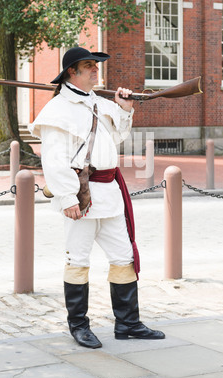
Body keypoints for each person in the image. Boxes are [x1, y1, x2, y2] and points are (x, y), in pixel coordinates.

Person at [29, 47, 165, 348]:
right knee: (78, 260)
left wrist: (124, 108)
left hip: (110, 193)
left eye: (95, 65)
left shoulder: (100, 104)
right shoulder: (57, 111)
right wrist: (68, 199)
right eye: (88, 66)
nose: (96, 70)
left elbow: (116, 137)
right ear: (71, 74)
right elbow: (53, 159)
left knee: (123, 258)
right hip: (82, 194)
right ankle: (78, 326)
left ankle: (128, 323)